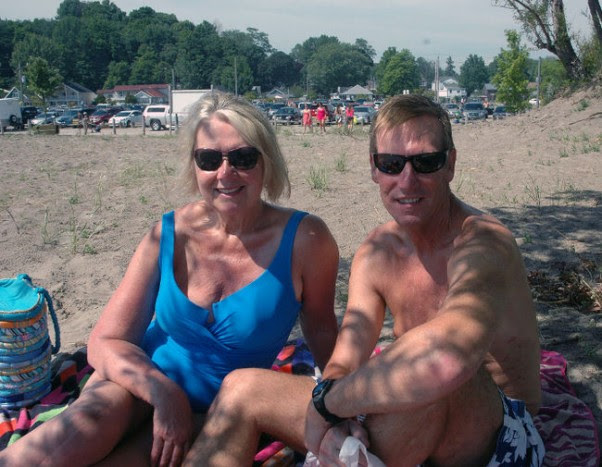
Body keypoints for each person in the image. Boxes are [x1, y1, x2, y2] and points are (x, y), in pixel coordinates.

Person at [185, 94, 544, 466]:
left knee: (433, 378)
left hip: (494, 434)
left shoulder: (483, 242)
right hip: (407, 420)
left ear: (450, 164)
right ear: (374, 168)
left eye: (426, 162)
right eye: (391, 164)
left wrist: (327, 405)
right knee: (242, 388)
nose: (407, 180)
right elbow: (344, 362)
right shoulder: (377, 252)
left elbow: (448, 358)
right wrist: (334, 417)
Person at [0, 91, 339, 466]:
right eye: (209, 159)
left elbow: (322, 330)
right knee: (85, 427)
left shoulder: (306, 240)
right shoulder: (169, 234)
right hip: (137, 384)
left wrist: (341, 402)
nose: (225, 173)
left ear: (267, 160)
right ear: (194, 166)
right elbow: (106, 341)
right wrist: (163, 392)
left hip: (213, 414)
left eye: (243, 158)